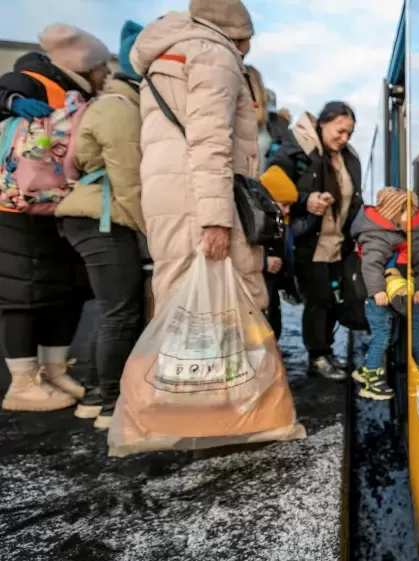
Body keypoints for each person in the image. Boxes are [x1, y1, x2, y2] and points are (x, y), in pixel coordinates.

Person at [0, 24, 113, 412]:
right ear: (85, 65)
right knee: (24, 294)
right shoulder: (32, 79)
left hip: (56, 206)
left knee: (63, 291)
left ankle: (54, 371)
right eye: (102, 66)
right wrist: (14, 100)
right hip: (16, 207)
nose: (106, 74)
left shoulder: (80, 95)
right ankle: (22, 383)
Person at [129, 0, 267, 317]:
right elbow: (210, 139)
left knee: (177, 300)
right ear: (239, 32)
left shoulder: (163, 58)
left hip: (167, 193)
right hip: (202, 196)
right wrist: (216, 219)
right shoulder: (213, 55)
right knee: (229, 307)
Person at [53, 21, 146, 429]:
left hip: (94, 216)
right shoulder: (119, 108)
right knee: (121, 312)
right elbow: (129, 180)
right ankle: (110, 403)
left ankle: (95, 394)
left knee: (114, 311)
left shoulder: (112, 104)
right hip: (102, 217)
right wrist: (152, 231)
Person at [265, 102, 362, 379]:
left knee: (333, 299)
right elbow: (272, 187)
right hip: (308, 240)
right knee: (318, 299)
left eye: (349, 133)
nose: (344, 138)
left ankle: (326, 353)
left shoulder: (348, 157)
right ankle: (317, 357)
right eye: (340, 131)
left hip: (338, 242)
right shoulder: (296, 147)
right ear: (323, 123)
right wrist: (305, 201)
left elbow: (354, 198)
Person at [350, 187, 419, 399]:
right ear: (392, 212)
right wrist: (378, 291)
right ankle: (372, 380)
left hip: (388, 293)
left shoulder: (389, 231)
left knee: (385, 335)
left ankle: (369, 371)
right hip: (380, 296)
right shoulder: (379, 235)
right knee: (382, 336)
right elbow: (371, 265)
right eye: (405, 212)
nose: (409, 217)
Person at [259, 165, 300, 340]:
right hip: (262, 284)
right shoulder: (260, 223)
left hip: (272, 284)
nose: (287, 210)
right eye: (284, 204)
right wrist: (263, 262)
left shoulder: (281, 222)